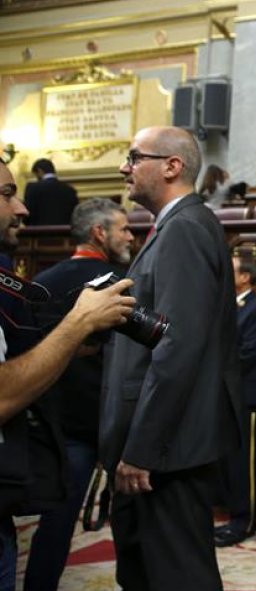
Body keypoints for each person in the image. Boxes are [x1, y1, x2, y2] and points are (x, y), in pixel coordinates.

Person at [101, 126, 242, 591]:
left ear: (171, 166)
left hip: (168, 451)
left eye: (134, 157)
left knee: (178, 577)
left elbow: (178, 348)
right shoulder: (176, 228)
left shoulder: (185, 229)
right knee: (145, 573)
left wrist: (144, 448)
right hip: (163, 446)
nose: (125, 166)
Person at [0, 160, 135, 591]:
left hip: (54, 429)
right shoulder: (119, 282)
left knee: (55, 526)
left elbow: (33, 350)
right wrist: (78, 325)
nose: (23, 209)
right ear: (99, 233)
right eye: (7, 195)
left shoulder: (42, 280)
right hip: (86, 427)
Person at [214, 254, 256, 547]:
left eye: (232, 270)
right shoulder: (225, 307)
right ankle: (233, 515)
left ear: (245, 277)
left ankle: (244, 521)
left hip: (247, 397)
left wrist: (211, 367)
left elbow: (249, 353)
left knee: (244, 463)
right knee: (228, 462)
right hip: (225, 395)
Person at [24, 158, 78, 226]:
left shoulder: (32, 188)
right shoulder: (69, 190)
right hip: (64, 232)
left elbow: (27, 213)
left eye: (36, 175)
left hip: (39, 232)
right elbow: (75, 215)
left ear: (39, 171)